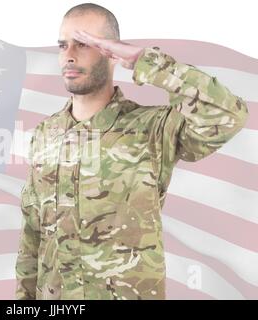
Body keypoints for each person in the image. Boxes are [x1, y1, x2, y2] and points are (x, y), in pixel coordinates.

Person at [15, 2, 249, 300]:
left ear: (111, 52)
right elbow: (32, 236)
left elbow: (228, 114)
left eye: (84, 44)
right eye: (63, 45)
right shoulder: (44, 135)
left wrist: (144, 61)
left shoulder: (154, 128)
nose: (69, 55)